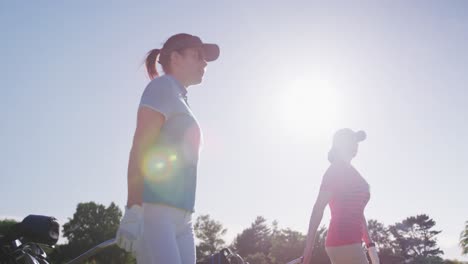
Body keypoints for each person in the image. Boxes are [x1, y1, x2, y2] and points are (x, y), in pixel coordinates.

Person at [115, 33, 220, 264]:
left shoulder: (180, 97)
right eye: (198, 55)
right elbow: (140, 148)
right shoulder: (162, 87)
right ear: (176, 57)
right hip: (156, 212)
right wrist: (133, 208)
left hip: (184, 218)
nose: (205, 63)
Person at [302, 128, 380, 264]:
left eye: (357, 141)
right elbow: (318, 209)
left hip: (353, 242)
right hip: (343, 242)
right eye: (352, 141)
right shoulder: (335, 170)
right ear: (340, 144)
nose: (356, 145)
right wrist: (308, 250)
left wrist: (369, 245)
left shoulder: (352, 172)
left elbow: (358, 213)